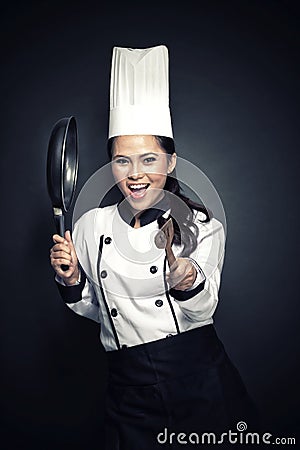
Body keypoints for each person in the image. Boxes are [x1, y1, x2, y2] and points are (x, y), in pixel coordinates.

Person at [50, 46, 258, 449]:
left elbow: (205, 306)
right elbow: (100, 311)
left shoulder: (201, 225)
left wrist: (185, 278)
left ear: (172, 161)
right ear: (110, 165)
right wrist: (73, 280)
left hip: (198, 381)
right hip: (128, 392)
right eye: (122, 161)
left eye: (149, 159)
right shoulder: (91, 226)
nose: (136, 174)